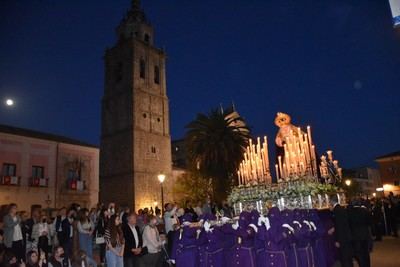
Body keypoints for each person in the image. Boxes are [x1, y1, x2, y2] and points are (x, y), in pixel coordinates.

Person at [329, 194, 353, 267]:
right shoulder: (341, 208)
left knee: (344, 258)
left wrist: (337, 240)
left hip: (342, 238)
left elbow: (339, 227)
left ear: (331, 201)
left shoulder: (336, 210)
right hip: (347, 236)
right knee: (348, 258)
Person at [348, 199, 372, 267]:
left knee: (359, 254)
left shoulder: (349, 212)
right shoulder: (365, 211)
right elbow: (369, 222)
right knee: (366, 253)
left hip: (355, 236)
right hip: (365, 234)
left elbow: (349, 224)